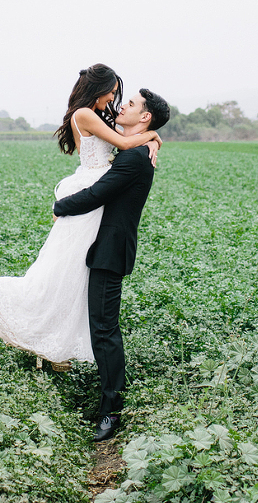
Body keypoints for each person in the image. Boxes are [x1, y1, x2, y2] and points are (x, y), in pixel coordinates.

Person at [0, 65, 161, 368]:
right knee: (63, 269)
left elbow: (126, 136)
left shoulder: (97, 114)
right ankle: (36, 324)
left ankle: (56, 342)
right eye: (112, 91)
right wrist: (154, 136)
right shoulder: (85, 114)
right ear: (97, 89)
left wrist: (148, 139)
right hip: (91, 185)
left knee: (75, 273)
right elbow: (126, 143)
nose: (115, 97)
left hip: (99, 184)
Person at [53, 86, 171, 442]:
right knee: (100, 326)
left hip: (110, 251)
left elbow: (98, 194)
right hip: (99, 245)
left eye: (131, 104)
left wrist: (59, 207)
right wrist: (154, 138)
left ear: (145, 116)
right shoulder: (137, 148)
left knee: (104, 329)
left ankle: (112, 410)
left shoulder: (136, 158)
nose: (123, 106)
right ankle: (106, 399)